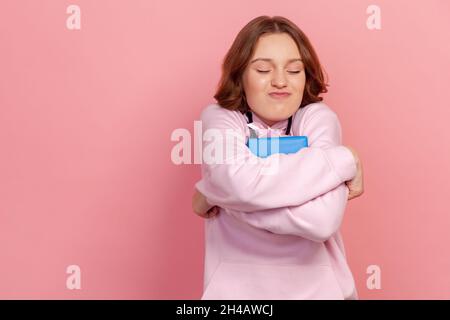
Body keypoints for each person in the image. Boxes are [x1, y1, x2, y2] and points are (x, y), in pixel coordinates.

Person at [192, 15, 364, 300]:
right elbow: (235, 184)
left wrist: (216, 193)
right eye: (263, 69)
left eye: (294, 70)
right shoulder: (219, 119)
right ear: (240, 74)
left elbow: (322, 220)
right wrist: (344, 160)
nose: (281, 81)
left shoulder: (319, 118)